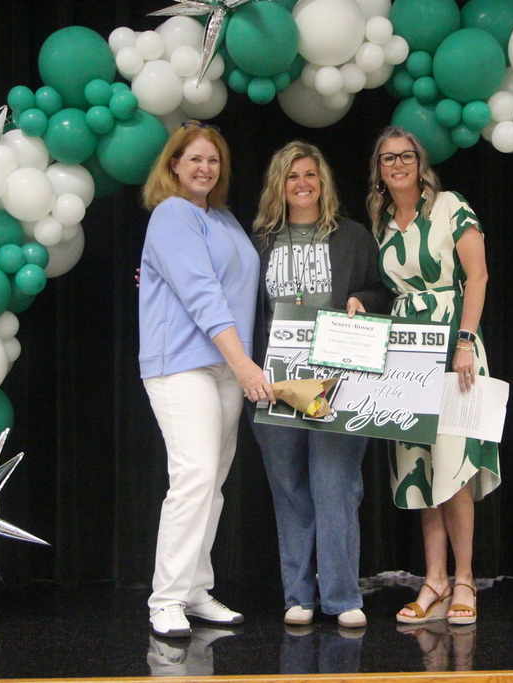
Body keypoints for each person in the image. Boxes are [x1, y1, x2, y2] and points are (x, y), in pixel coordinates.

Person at [138, 121, 275, 639]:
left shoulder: (221, 218)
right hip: (182, 363)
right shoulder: (172, 213)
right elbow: (201, 293)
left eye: (213, 161)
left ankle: (195, 587)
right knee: (193, 476)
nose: (204, 168)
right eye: (193, 159)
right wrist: (245, 365)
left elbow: (236, 285)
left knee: (212, 482)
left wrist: (237, 363)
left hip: (223, 364)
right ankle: (166, 599)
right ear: (173, 164)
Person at [250, 141, 390, 629]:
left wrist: (361, 301)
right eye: (292, 176)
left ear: (323, 181)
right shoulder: (260, 240)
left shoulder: (352, 237)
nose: (302, 184)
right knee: (289, 489)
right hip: (276, 383)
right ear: (279, 185)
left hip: (339, 382)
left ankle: (342, 596)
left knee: (336, 487)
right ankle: (298, 596)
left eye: (310, 174)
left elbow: (380, 290)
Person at [366, 126, 500, 627]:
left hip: (454, 344)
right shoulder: (382, 221)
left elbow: (478, 276)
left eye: (405, 156)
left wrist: (464, 341)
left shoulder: (449, 205)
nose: (397, 164)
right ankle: (435, 580)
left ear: (420, 162)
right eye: (387, 158)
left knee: (454, 464)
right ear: (379, 170)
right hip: (406, 353)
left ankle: (464, 578)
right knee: (421, 468)